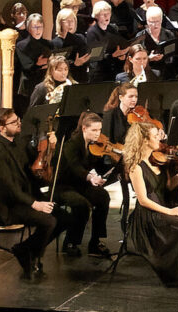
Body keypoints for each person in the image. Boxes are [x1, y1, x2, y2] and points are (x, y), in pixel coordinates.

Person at [0, 107, 61, 279]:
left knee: (64, 215)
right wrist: (36, 204)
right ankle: (27, 252)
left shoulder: (21, 142)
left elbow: (38, 164)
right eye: (14, 122)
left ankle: (26, 249)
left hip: (26, 197)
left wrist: (52, 147)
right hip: (8, 205)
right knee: (49, 221)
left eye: (18, 120)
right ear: (1, 128)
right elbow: (9, 187)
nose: (19, 123)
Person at [121, 121, 178, 286]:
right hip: (150, 215)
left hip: (161, 208)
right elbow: (143, 200)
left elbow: (168, 186)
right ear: (144, 140)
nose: (160, 138)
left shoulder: (156, 161)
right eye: (155, 136)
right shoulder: (136, 167)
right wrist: (169, 211)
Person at [55, 111, 114, 258]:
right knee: (81, 204)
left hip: (80, 185)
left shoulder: (93, 145)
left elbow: (95, 167)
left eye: (99, 130)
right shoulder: (71, 144)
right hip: (64, 186)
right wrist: (89, 177)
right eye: (94, 130)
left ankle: (95, 242)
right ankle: (70, 242)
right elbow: (75, 167)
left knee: (103, 197)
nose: (97, 134)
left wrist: (103, 175)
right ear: (84, 128)